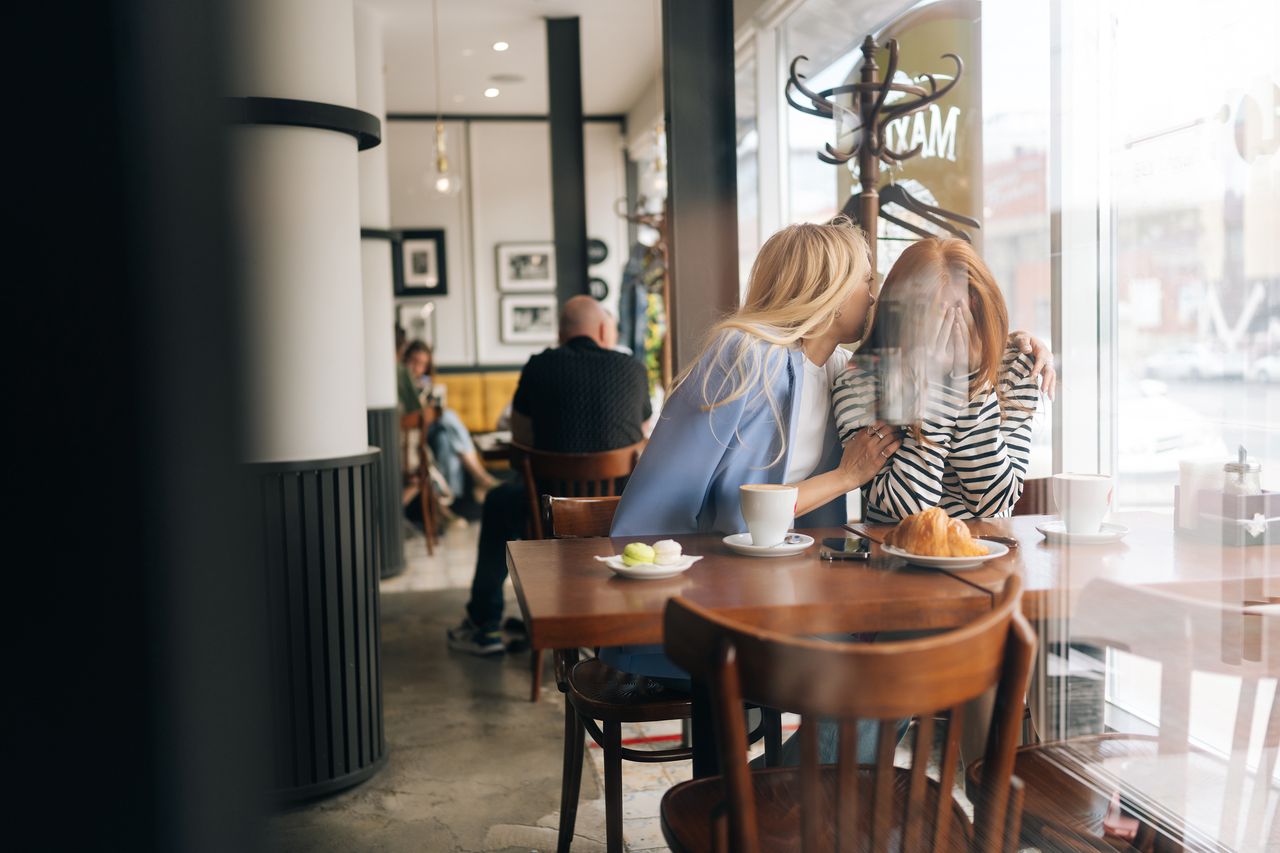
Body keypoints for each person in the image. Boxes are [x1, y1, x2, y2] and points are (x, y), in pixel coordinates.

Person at [607, 220, 1055, 764]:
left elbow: (987, 484)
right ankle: (764, 808)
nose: (874, 292)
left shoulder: (833, 365)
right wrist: (849, 474)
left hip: (792, 587)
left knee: (889, 671)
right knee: (871, 680)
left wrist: (1005, 350)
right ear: (827, 289)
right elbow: (680, 503)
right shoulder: (744, 354)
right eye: (865, 279)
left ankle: (779, 809)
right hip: (704, 590)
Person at [447, 296, 652, 655]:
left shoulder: (538, 367)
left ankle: (485, 627)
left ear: (560, 334)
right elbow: (642, 443)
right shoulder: (633, 369)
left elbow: (521, 443)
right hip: (614, 515)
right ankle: (604, 627)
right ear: (604, 330)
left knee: (498, 501)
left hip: (547, 514)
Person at [833, 237, 1044, 521]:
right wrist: (939, 393)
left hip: (986, 552)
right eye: (938, 316)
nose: (952, 329)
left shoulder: (1015, 365)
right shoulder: (860, 382)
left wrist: (971, 383)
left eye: (963, 314)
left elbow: (994, 502)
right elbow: (907, 509)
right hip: (895, 554)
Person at [399, 340, 497, 504]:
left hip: (429, 432)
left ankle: (449, 501)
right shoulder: (399, 382)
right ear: (405, 360)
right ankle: (480, 477)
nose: (417, 369)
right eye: (414, 362)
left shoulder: (426, 383)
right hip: (411, 436)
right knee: (448, 416)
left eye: (423, 364)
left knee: (444, 439)